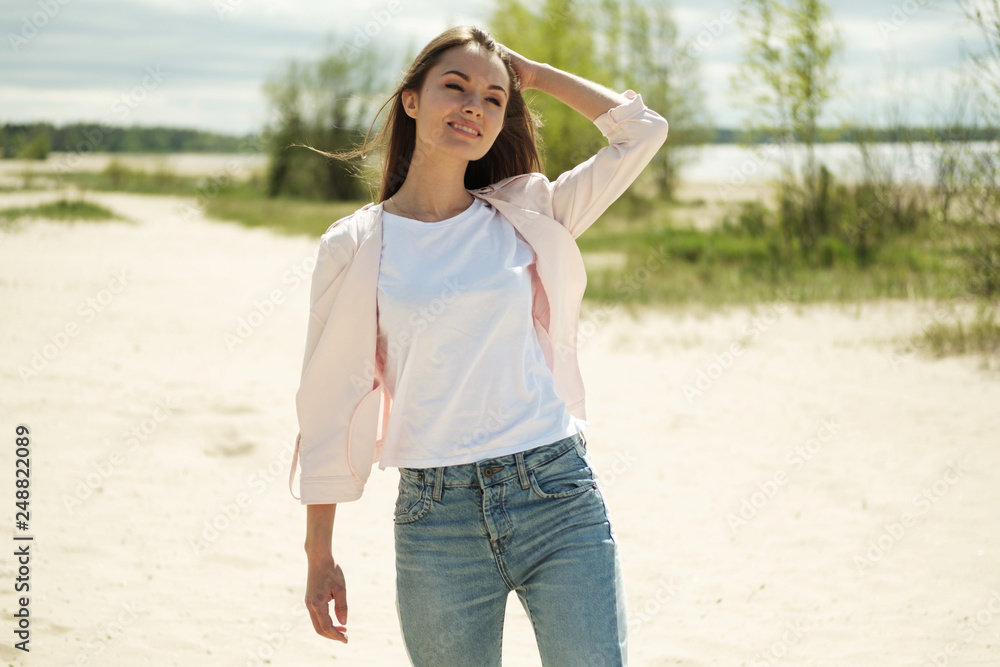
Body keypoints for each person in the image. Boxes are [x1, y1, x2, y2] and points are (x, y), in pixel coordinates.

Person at [287, 24, 668, 666]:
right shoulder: (354, 245)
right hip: (437, 520)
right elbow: (327, 401)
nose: (474, 106)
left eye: (493, 98)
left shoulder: (526, 213)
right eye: (455, 87)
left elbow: (643, 132)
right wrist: (318, 553)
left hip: (555, 493)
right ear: (412, 100)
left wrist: (534, 75)